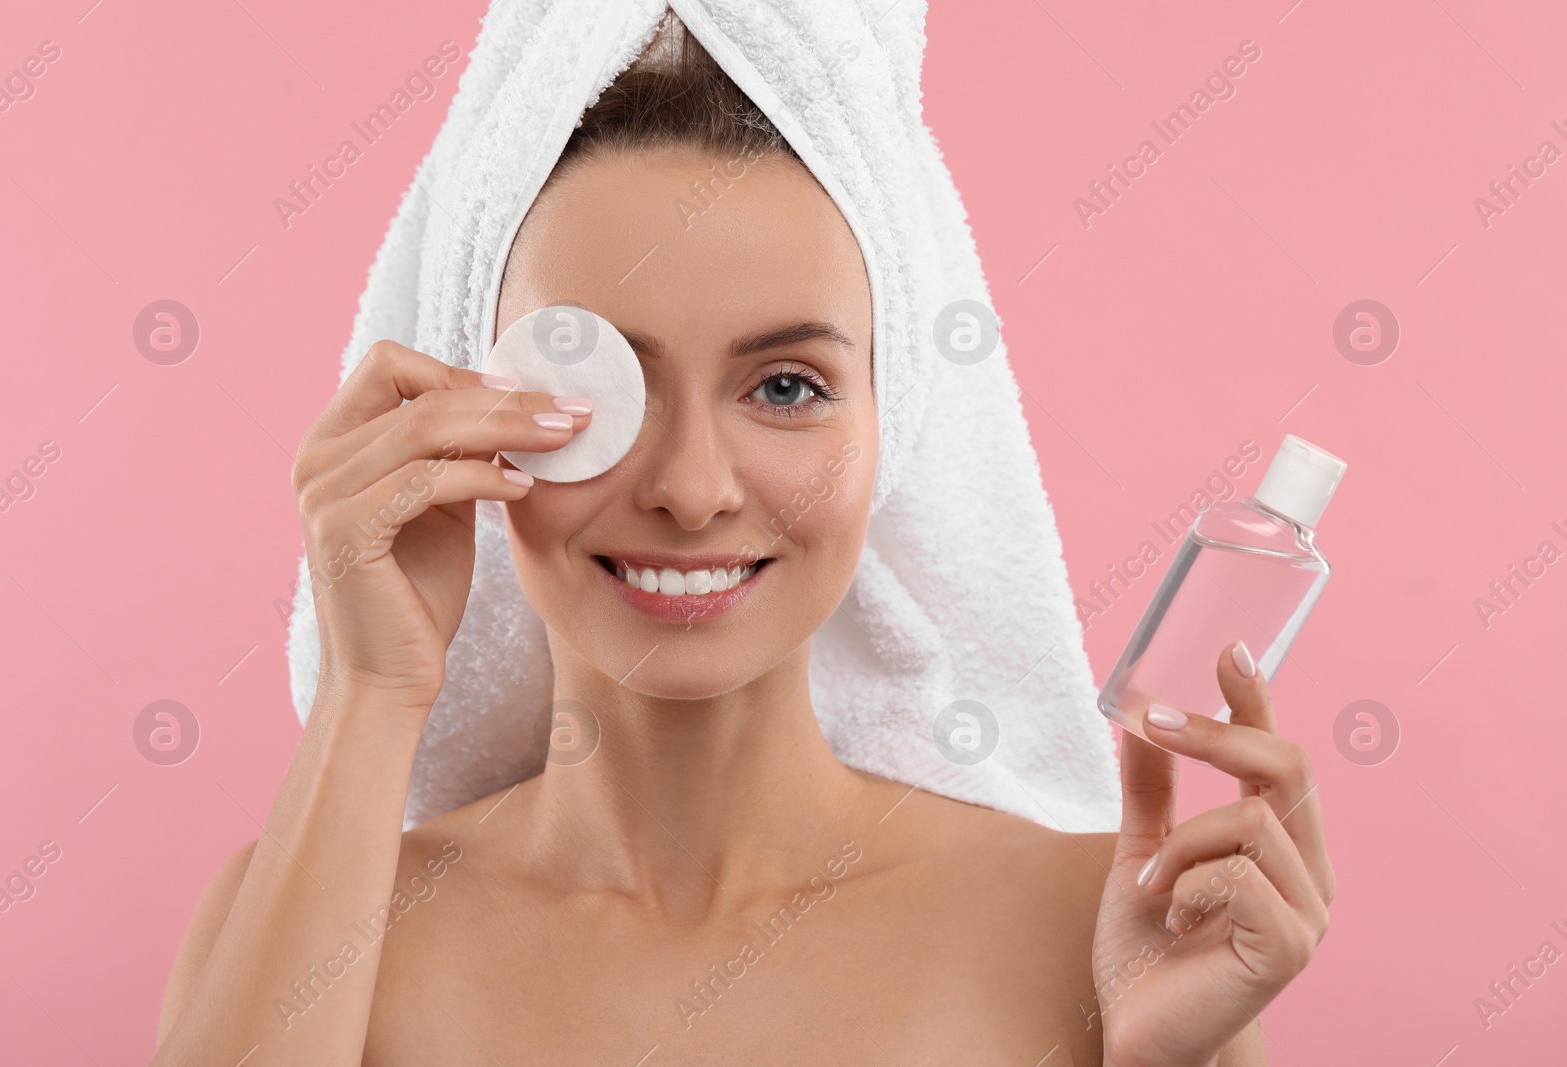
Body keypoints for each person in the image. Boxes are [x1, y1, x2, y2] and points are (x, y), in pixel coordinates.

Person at [153, 13, 1332, 1065]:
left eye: (783, 387)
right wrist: (373, 686)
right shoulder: (308, 935)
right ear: (472, 410)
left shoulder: (1095, 935)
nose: (689, 486)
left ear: (894, 427)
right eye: (599, 382)